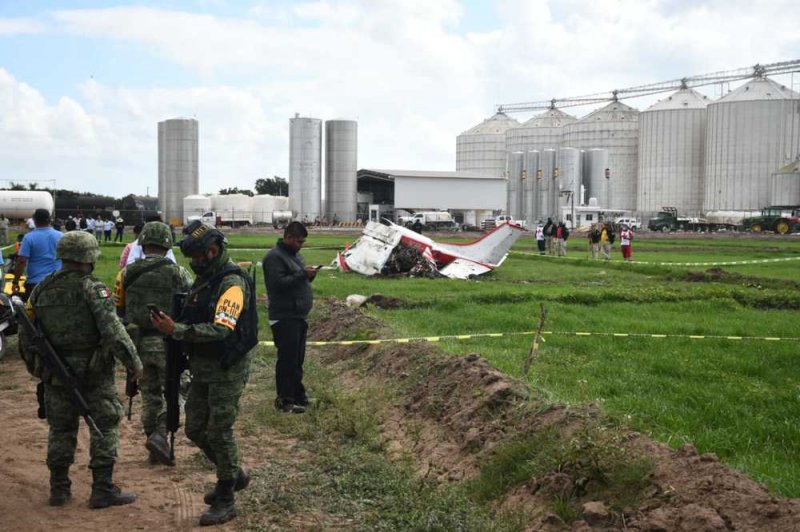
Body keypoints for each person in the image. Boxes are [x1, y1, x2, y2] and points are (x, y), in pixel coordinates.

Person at [19, 231, 143, 508]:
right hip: (94, 372)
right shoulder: (93, 288)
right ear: (89, 258)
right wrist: (133, 362)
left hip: (56, 374)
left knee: (61, 430)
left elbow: (27, 336)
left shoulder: (41, 290)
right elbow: (113, 330)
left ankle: (59, 489)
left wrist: (39, 369)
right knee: (105, 425)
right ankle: (102, 489)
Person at [151, 221, 257, 526]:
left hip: (226, 368)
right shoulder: (206, 280)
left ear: (212, 252)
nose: (194, 264)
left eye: (198, 257)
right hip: (202, 367)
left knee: (219, 432)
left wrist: (178, 330)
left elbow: (222, 329)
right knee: (195, 428)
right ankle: (234, 472)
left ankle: (226, 496)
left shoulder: (232, 283)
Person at [113, 222, 192, 466]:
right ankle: (160, 434)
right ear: (168, 244)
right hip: (169, 343)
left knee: (149, 395)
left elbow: (119, 308)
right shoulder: (179, 274)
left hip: (138, 344)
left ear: (143, 243)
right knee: (179, 388)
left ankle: (153, 441)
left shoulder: (126, 273)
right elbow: (190, 306)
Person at [263, 222, 318, 416]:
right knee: (287, 360)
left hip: (298, 316)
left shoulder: (294, 256)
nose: (301, 245)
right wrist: (303, 273)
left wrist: (308, 275)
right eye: (299, 241)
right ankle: (284, 400)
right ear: (288, 237)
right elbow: (278, 284)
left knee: (296, 360)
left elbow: (297, 279)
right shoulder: (274, 258)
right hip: (284, 316)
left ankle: (298, 396)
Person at [14, 208, 63, 299]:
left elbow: (21, 261)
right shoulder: (61, 236)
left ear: (34, 220)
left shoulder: (29, 237)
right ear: (50, 219)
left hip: (36, 283)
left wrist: (15, 281)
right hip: (58, 281)